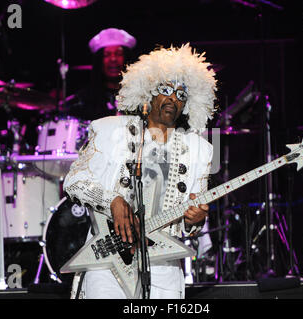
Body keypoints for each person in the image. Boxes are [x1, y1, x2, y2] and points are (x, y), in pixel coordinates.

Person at [63, 43, 217, 299]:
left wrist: (195, 220)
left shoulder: (200, 149)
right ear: (148, 92)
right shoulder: (109, 130)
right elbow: (74, 180)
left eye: (181, 94)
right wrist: (113, 200)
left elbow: (193, 221)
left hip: (162, 268)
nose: (172, 98)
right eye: (166, 89)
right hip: (108, 265)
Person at [65, 27, 137, 121]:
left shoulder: (141, 95)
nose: (113, 59)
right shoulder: (84, 100)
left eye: (118, 54)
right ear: (99, 62)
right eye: (107, 55)